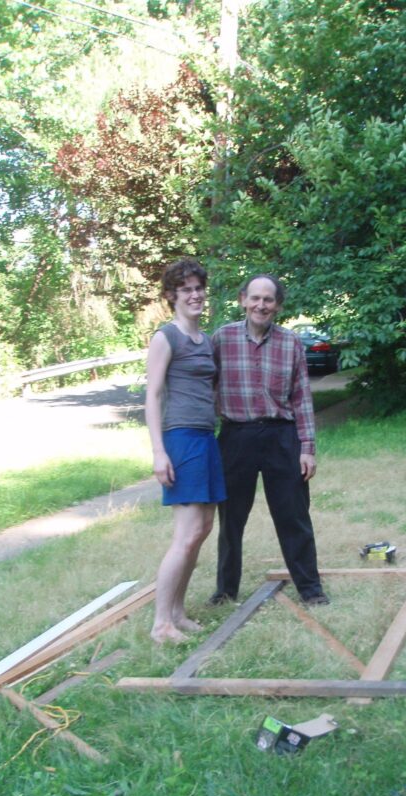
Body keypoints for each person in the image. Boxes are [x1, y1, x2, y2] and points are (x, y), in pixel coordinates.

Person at [210, 273, 329, 606]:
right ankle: (225, 590)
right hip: (235, 437)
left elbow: (302, 398)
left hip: (281, 437)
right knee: (230, 521)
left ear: (278, 305)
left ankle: (311, 589)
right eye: (255, 298)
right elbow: (206, 388)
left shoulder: (291, 343)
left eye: (268, 299)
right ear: (242, 300)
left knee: (294, 517)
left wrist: (307, 449)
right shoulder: (221, 339)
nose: (261, 305)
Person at [145, 258, 226, 642]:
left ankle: (177, 612)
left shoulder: (205, 340)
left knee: (202, 529)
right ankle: (161, 624)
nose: (195, 295)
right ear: (172, 296)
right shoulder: (166, 337)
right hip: (181, 438)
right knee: (187, 533)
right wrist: (158, 452)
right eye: (186, 290)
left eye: (198, 288)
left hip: (206, 438)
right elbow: (153, 396)